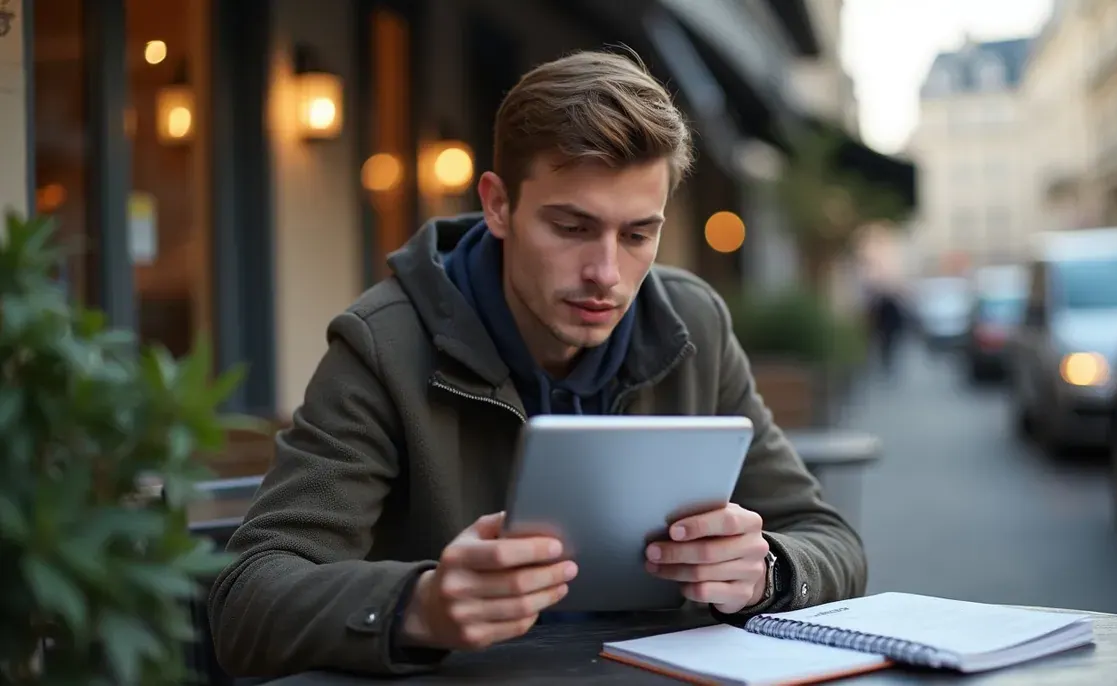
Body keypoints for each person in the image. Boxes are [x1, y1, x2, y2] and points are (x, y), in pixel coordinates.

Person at [208, 48, 867, 679]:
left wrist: (767, 569)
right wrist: (420, 605)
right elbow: (246, 599)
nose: (606, 273)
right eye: (571, 227)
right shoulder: (384, 345)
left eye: (639, 234)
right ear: (498, 205)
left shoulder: (692, 324)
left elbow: (829, 540)